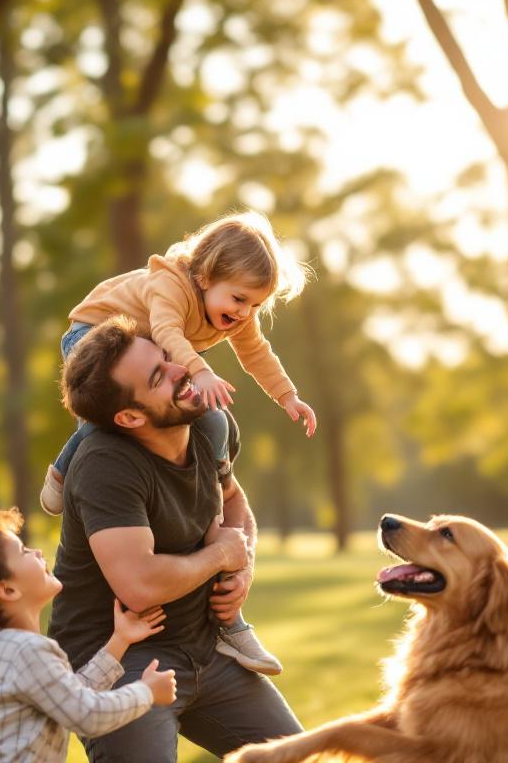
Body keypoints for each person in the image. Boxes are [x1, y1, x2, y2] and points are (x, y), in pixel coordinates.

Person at [40, 210, 316, 675]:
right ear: (205, 276)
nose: (244, 313)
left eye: (255, 305)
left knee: (211, 422)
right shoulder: (169, 286)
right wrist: (200, 370)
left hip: (151, 356)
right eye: (239, 299)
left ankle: (230, 620)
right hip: (94, 336)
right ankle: (62, 470)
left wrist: (288, 396)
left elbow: (256, 354)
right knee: (107, 416)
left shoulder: (233, 313)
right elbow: (167, 333)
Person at [46, 316, 304, 762]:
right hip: (117, 660)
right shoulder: (104, 464)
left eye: (168, 357)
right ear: (129, 416)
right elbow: (139, 585)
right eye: (157, 376)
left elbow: (234, 500)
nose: (180, 369)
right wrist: (220, 554)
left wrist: (242, 566)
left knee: (303, 758)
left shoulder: (207, 422)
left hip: (205, 649)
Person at [0, 508, 178, 763]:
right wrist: (147, 692)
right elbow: (88, 716)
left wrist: (119, 640)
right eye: (23, 551)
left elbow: (70, 695)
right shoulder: (26, 651)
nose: (36, 552)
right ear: (8, 590)